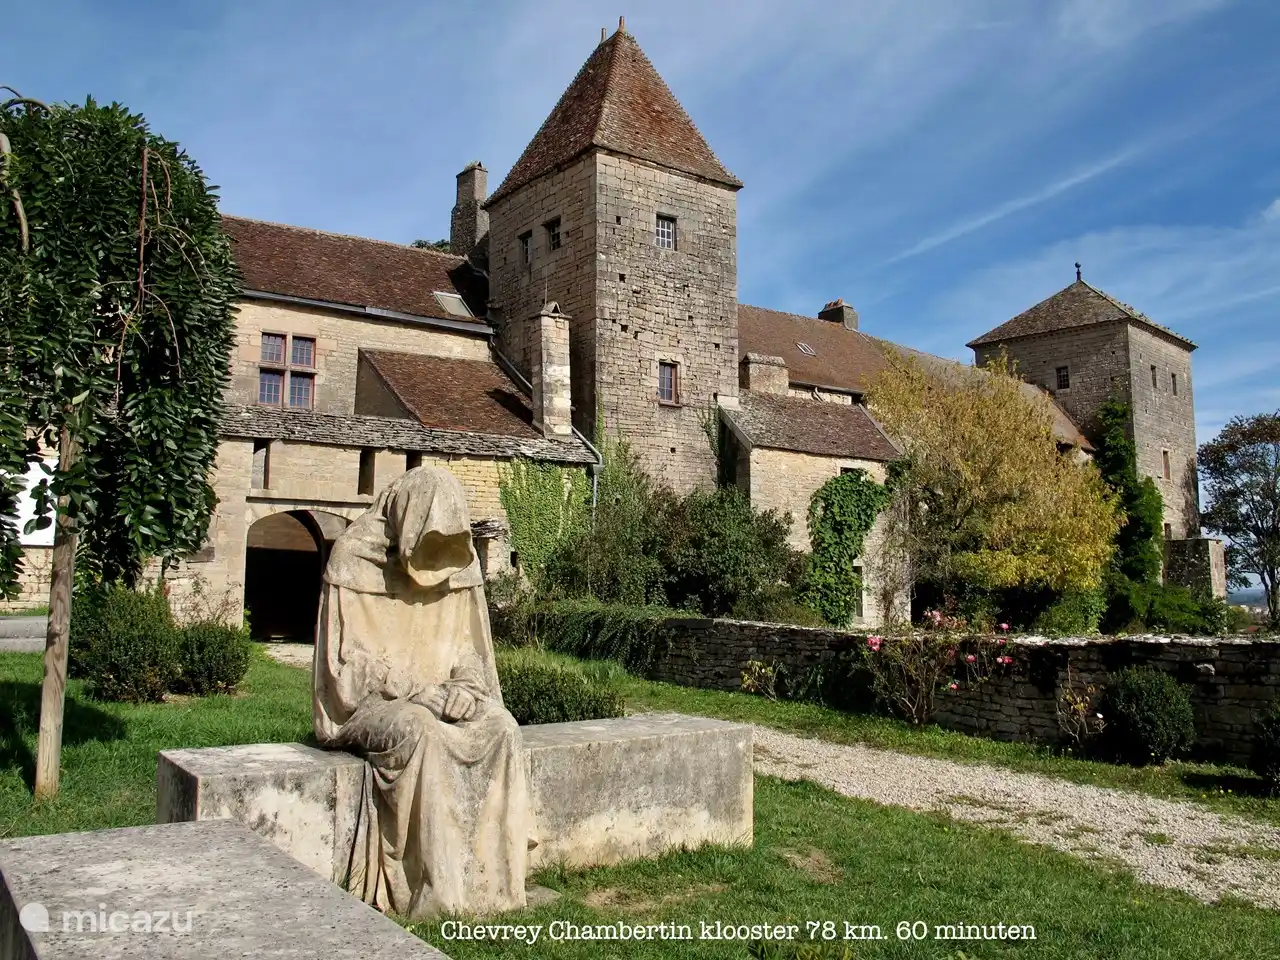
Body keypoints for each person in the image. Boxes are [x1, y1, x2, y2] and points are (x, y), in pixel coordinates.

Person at [313, 466, 534, 919]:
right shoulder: (352, 559)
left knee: (502, 727)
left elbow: (469, 651)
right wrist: (416, 692)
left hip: (440, 695)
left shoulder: (463, 564)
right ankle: (435, 890)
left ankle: (494, 883)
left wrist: (467, 689)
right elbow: (346, 665)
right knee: (420, 731)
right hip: (370, 706)